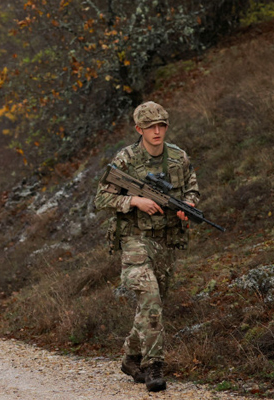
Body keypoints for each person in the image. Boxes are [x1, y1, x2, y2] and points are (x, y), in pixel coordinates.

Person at [94, 101, 199, 392]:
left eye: (162, 125)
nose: (157, 131)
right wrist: (134, 201)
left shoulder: (178, 157)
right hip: (135, 239)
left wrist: (189, 205)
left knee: (152, 305)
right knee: (150, 299)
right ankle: (154, 366)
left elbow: (192, 188)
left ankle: (130, 356)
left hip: (165, 240)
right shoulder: (126, 159)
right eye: (151, 126)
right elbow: (101, 199)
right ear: (139, 129)